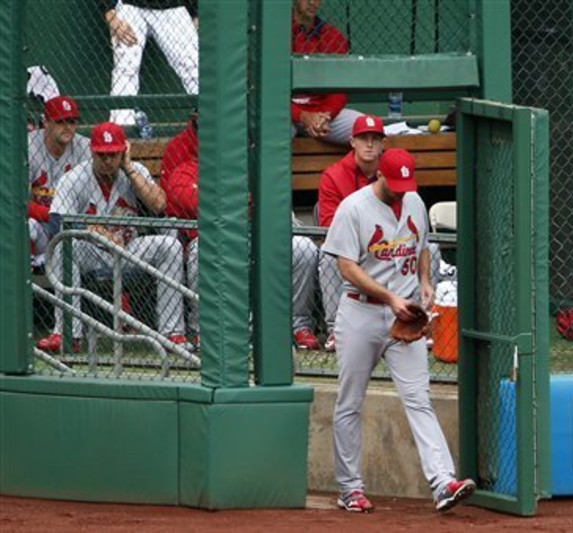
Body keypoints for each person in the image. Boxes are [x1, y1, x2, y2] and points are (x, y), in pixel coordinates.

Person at [321, 148, 475, 513]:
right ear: (380, 175)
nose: (403, 190)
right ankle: (350, 488)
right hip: (360, 311)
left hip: (404, 314)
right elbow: (345, 266)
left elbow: (420, 246)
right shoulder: (353, 208)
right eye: (397, 183)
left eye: (408, 184)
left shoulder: (415, 202)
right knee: (350, 401)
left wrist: (425, 282)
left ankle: (442, 482)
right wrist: (390, 296)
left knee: (419, 398)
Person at [36, 122, 189, 353]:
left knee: (170, 245)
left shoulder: (135, 172)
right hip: (92, 252)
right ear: (92, 152)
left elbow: (159, 205)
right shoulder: (75, 178)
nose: (107, 160)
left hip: (129, 250)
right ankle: (68, 333)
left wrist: (129, 168)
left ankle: (173, 333)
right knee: (62, 247)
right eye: (102, 155)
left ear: (123, 151)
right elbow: (57, 223)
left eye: (113, 154)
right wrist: (94, 229)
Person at [162, 162, 321, 351]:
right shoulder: (190, 169)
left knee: (304, 247)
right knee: (200, 250)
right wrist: (240, 201)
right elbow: (189, 202)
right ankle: (204, 330)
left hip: (264, 235)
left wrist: (224, 200)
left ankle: (298, 326)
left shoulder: (260, 165)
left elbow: (274, 204)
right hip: (216, 238)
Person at [317, 114, 386, 351]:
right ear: (352, 142)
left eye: (375, 139)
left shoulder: (392, 173)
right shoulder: (333, 175)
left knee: (430, 249)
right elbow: (328, 225)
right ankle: (336, 329)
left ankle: (414, 320)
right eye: (363, 138)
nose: (369, 144)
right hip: (351, 246)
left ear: (382, 144)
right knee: (330, 256)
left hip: (387, 245)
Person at [103, 0, 199, 126]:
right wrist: (110, 13)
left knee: (192, 66)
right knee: (126, 68)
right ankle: (122, 130)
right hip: (129, 6)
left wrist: (196, 11)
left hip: (173, 6)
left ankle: (210, 122)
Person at [28, 96, 92, 269]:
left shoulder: (85, 148)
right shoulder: (28, 146)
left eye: (72, 121)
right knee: (28, 227)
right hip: (42, 225)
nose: (68, 127)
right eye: (61, 121)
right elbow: (16, 201)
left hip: (74, 228)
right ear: (46, 122)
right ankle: (35, 264)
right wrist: (52, 215)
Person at [292, 0, 361, 145]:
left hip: (322, 116)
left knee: (368, 128)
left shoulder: (332, 36)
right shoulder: (275, 35)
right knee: (271, 132)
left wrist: (325, 115)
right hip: (285, 116)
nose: (312, 2)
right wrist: (302, 116)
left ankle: (345, 169)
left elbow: (339, 89)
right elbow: (269, 93)